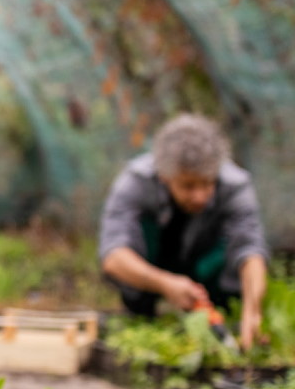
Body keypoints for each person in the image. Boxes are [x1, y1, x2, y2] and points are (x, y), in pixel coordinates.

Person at [98, 114, 269, 349]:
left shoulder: (235, 185)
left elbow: (251, 251)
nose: (200, 196)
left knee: (235, 249)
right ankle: (146, 309)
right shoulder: (136, 182)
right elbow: (113, 257)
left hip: (205, 265)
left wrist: (253, 309)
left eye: (207, 183)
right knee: (137, 238)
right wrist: (165, 283)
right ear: (165, 177)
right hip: (157, 263)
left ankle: (221, 312)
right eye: (188, 186)